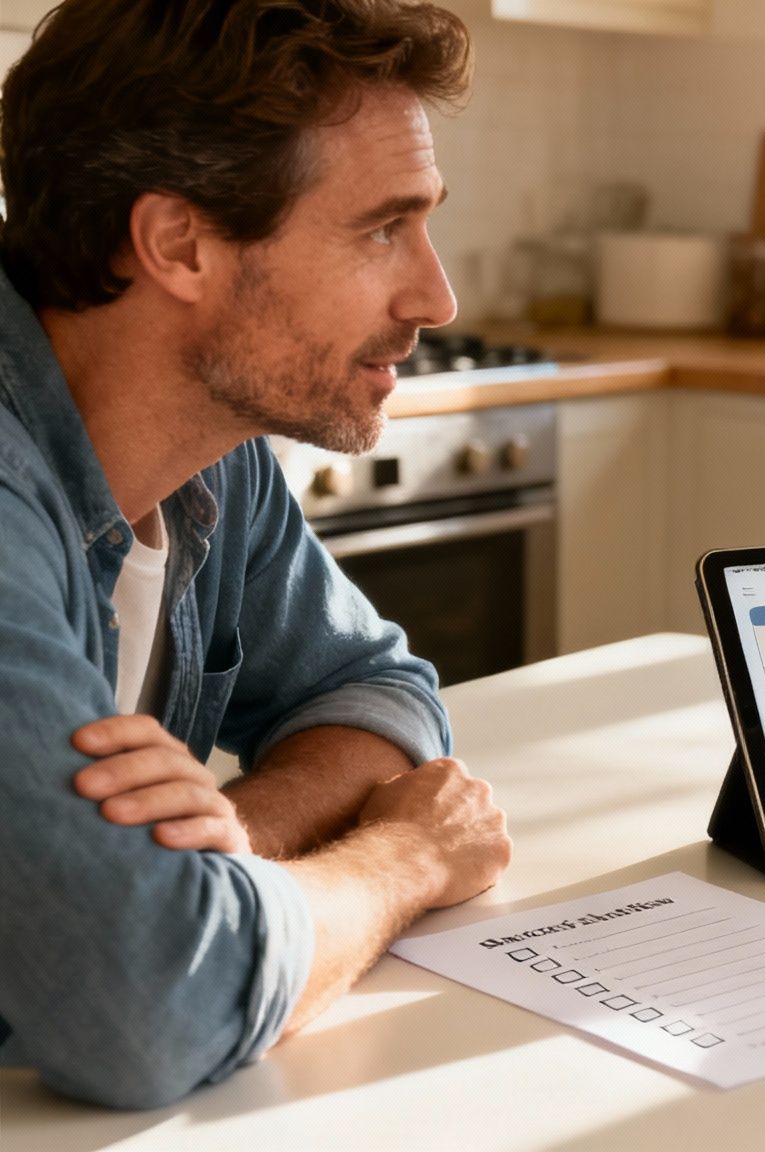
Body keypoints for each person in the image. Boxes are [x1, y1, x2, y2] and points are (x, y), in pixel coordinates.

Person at [0, 0, 512, 1108]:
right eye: (382, 227)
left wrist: (236, 836)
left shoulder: (202, 448)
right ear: (179, 244)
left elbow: (374, 691)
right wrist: (405, 858)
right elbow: (143, 1005)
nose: (436, 296)